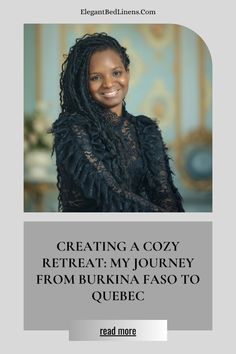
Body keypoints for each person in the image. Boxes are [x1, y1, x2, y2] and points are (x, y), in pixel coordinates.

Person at [51, 33, 184, 212]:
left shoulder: (146, 129)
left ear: (127, 73)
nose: (108, 83)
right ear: (82, 83)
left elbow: (164, 192)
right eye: (96, 77)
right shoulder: (72, 129)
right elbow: (111, 195)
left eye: (116, 73)